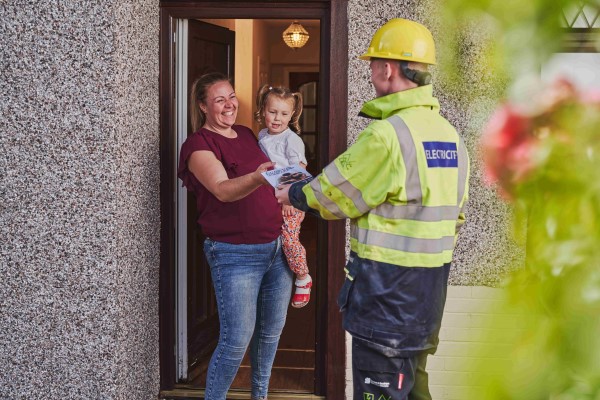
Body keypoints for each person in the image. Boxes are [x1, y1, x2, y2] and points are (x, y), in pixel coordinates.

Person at [276, 18, 470, 400]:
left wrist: (294, 194)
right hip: (427, 296)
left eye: (372, 64)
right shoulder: (449, 136)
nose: (369, 72)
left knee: (382, 391)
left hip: (387, 298)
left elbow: (334, 194)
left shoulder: (388, 135)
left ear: (387, 68)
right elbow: (456, 215)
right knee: (412, 389)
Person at [178, 72, 293, 400]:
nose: (229, 104)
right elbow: (222, 190)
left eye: (231, 96)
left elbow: (270, 178)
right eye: (219, 100)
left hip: (276, 248)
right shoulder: (198, 145)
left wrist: (290, 181)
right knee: (236, 339)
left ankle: (260, 396)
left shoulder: (245, 133)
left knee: (270, 334)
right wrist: (258, 177)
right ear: (202, 106)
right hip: (234, 253)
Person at [254, 84, 312, 308]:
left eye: (284, 114)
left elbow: (301, 167)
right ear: (263, 110)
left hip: (291, 198)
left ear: (292, 116)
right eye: (273, 112)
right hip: (274, 198)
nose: (277, 118)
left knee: (289, 239)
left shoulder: (291, 140)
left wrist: (289, 197)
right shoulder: (262, 135)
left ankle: (303, 277)